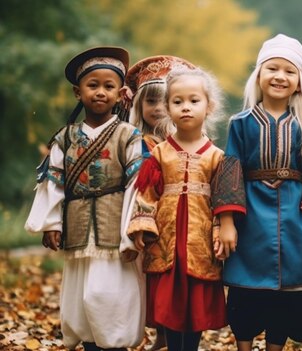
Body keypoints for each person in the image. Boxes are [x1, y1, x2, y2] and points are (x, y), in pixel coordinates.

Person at [24, 46, 145, 351]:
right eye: (93, 85)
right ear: (78, 92)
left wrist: (134, 229)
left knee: (109, 293)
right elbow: (54, 181)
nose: (100, 92)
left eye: (109, 86)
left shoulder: (129, 135)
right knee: (81, 295)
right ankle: (88, 343)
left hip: (115, 226)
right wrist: (52, 222)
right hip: (77, 225)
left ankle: (114, 344)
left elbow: (136, 184)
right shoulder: (64, 137)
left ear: (121, 93)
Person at [218, 33, 302, 351]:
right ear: (259, 75)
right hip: (249, 218)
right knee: (246, 292)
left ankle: (275, 346)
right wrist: (227, 222)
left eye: (289, 71)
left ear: (298, 82)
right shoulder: (239, 123)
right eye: (273, 68)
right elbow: (230, 173)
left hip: (296, 222)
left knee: (285, 295)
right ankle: (243, 344)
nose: (280, 76)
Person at [127, 65, 244, 351]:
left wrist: (220, 232)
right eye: (177, 102)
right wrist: (142, 224)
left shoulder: (217, 157)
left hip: (199, 244)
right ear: (167, 107)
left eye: (194, 101)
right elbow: (147, 193)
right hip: (166, 243)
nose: (186, 108)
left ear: (209, 106)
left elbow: (222, 199)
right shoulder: (158, 153)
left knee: (196, 307)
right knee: (169, 305)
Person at [123, 55, 195, 351]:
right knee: (146, 275)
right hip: (140, 213)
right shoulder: (132, 139)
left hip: (179, 215)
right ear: (138, 105)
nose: (158, 109)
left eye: (166, 102)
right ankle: (156, 332)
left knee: (171, 275)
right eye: (150, 102)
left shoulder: (189, 141)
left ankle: (169, 333)